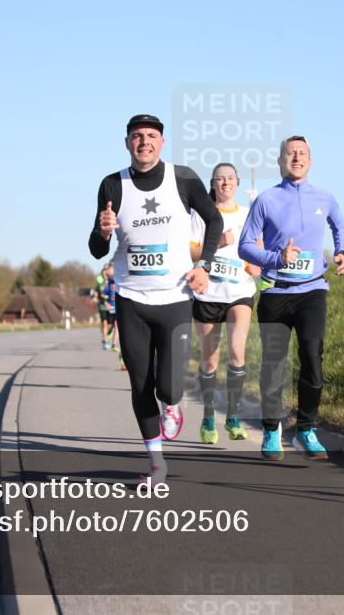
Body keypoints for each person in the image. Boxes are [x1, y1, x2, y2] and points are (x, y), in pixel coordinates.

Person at [89, 114, 223, 482]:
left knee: (169, 386)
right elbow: (96, 247)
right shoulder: (112, 184)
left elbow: (214, 221)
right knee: (139, 383)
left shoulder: (183, 179)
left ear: (161, 142)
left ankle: (174, 405)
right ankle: (155, 462)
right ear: (127, 143)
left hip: (176, 296)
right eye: (136, 136)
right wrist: (102, 233)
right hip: (131, 298)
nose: (143, 141)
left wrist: (205, 265)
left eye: (150, 136)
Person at [238, 135, 344, 460]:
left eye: (302, 153)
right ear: (280, 161)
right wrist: (276, 259)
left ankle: (306, 428)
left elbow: (339, 225)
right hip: (275, 292)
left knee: (313, 356)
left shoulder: (325, 197)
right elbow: (245, 246)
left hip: (313, 290)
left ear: (310, 161)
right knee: (274, 366)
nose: (296, 157)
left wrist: (342, 251)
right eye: (290, 153)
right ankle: (272, 428)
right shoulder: (266, 200)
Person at [189, 163, 261, 444]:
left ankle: (233, 414)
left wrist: (255, 263)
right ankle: (208, 416)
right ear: (213, 184)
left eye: (230, 178)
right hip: (208, 292)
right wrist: (218, 241)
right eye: (220, 179)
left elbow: (259, 246)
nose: (225, 183)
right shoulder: (202, 214)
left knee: (236, 353)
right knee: (210, 359)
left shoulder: (248, 214)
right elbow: (191, 249)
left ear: (238, 183)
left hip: (239, 292)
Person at [93, 265, 114, 349]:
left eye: (106, 270)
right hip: (102, 305)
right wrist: (95, 295)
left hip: (112, 307)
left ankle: (107, 333)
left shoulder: (112, 281)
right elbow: (97, 292)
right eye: (104, 270)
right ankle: (105, 342)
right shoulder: (100, 281)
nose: (105, 272)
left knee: (110, 325)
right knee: (104, 324)